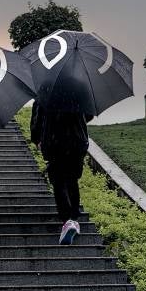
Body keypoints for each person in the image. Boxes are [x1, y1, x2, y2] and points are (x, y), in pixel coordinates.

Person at [30, 100, 92, 245]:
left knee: (58, 181)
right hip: (76, 141)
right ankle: (74, 217)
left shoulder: (45, 94)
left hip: (54, 142)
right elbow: (88, 115)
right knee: (72, 180)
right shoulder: (78, 91)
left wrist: (37, 139)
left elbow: (37, 120)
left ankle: (67, 220)